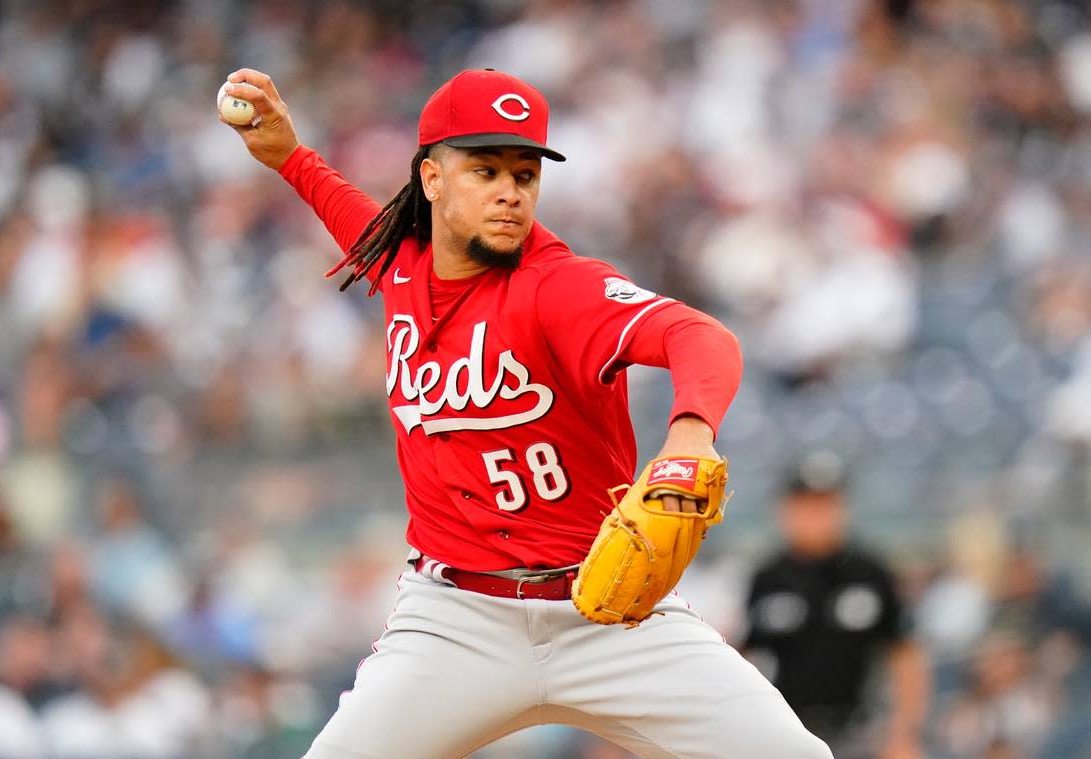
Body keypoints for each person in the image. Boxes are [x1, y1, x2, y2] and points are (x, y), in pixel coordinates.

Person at [222, 67, 831, 759]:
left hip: (608, 611)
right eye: (485, 170)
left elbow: (701, 336)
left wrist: (690, 432)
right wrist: (291, 158)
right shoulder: (401, 263)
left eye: (525, 173)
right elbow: (358, 223)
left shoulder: (559, 287)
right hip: (455, 620)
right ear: (431, 179)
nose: (512, 192)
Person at [741, 452, 928, 759]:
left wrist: (904, 734)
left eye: (825, 503)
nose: (816, 515)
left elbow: (905, 655)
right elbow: (743, 658)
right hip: (788, 730)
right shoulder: (767, 578)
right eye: (806, 504)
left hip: (860, 731)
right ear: (785, 509)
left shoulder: (871, 573)